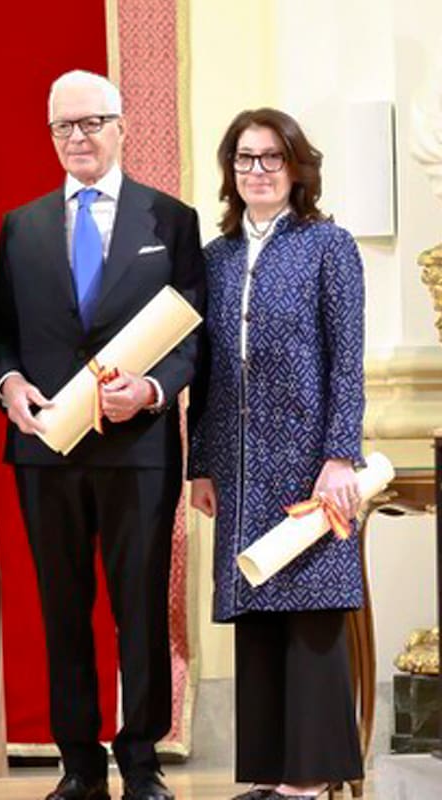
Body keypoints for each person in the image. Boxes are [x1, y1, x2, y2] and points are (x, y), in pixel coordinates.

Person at [0, 70, 205, 800]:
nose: (77, 138)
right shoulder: (21, 225)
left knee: (141, 606)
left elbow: (190, 333)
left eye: (91, 122)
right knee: (62, 607)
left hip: (138, 449)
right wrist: (10, 386)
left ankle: (140, 761)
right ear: (49, 135)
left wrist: (151, 390)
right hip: (45, 449)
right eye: (63, 127)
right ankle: (78, 764)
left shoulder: (169, 220)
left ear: (122, 127)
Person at [188, 108, 365, 800]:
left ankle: (312, 775)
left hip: (309, 456)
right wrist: (201, 463)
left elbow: (345, 360)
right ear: (231, 173)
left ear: (296, 168)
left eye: (270, 158)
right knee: (256, 601)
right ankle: (268, 772)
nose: (257, 171)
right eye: (244, 159)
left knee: (311, 608)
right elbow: (204, 373)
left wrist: (340, 455)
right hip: (236, 458)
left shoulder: (329, 245)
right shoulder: (216, 257)